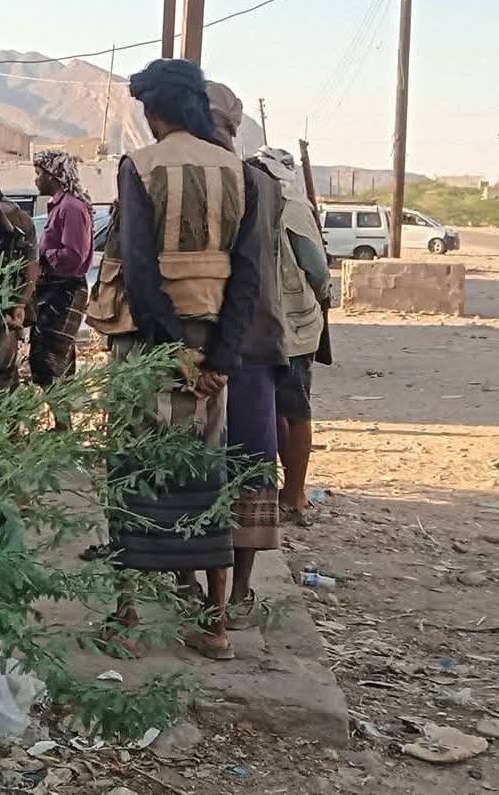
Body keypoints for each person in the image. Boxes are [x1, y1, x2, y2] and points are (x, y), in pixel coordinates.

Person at [85, 59, 261, 661]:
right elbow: (249, 277)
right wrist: (218, 360)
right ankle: (214, 626)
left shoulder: (141, 166)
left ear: (154, 110)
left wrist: (170, 350)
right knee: (206, 471)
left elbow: (139, 269)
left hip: (146, 342)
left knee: (133, 469)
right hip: (213, 343)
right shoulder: (239, 171)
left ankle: (128, 618)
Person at [206, 84, 285, 629]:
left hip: (225, 346)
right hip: (248, 344)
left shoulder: (247, 182)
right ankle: (229, 594)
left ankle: (221, 594)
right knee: (239, 465)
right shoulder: (257, 181)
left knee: (228, 468)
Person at [251, 147, 331, 529]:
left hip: (273, 325)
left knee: (284, 410)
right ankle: (291, 494)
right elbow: (317, 270)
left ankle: (292, 493)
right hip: (288, 325)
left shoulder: (268, 202)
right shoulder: (293, 205)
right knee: (289, 409)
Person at [29, 149, 93, 416]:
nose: (36, 179)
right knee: (51, 360)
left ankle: (63, 424)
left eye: (39, 173)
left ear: (53, 175)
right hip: (53, 289)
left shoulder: (71, 208)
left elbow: (74, 256)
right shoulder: (61, 205)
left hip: (65, 289)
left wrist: (46, 254)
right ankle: (62, 423)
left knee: (51, 361)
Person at [0, 150, 39, 389]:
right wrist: (21, 304)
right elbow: (32, 266)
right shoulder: (20, 217)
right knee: (3, 377)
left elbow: (31, 265)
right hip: (6, 309)